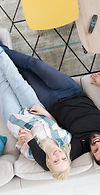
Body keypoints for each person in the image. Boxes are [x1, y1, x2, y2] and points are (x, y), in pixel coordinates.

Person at [0, 41, 100, 169]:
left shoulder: (79, 147)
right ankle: (2, 50)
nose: (97, 143)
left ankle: (2, 51)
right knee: (34, 64)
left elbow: (46, 165)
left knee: (22, 74)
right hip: (71, 91)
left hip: (49, 102)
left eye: (96, 150)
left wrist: (32, 139)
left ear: (92, 155)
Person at [0, 46, 72, 180]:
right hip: (35, 108)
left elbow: (19, 145)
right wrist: (44, 112)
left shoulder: (33, 154)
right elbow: (56, 124)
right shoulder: (65, 139)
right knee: (16, 79)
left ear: (49, 162)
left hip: (15, 118)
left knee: (3, 84)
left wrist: (25, 138)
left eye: (56, 161)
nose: (58, 155)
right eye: (63, 158)